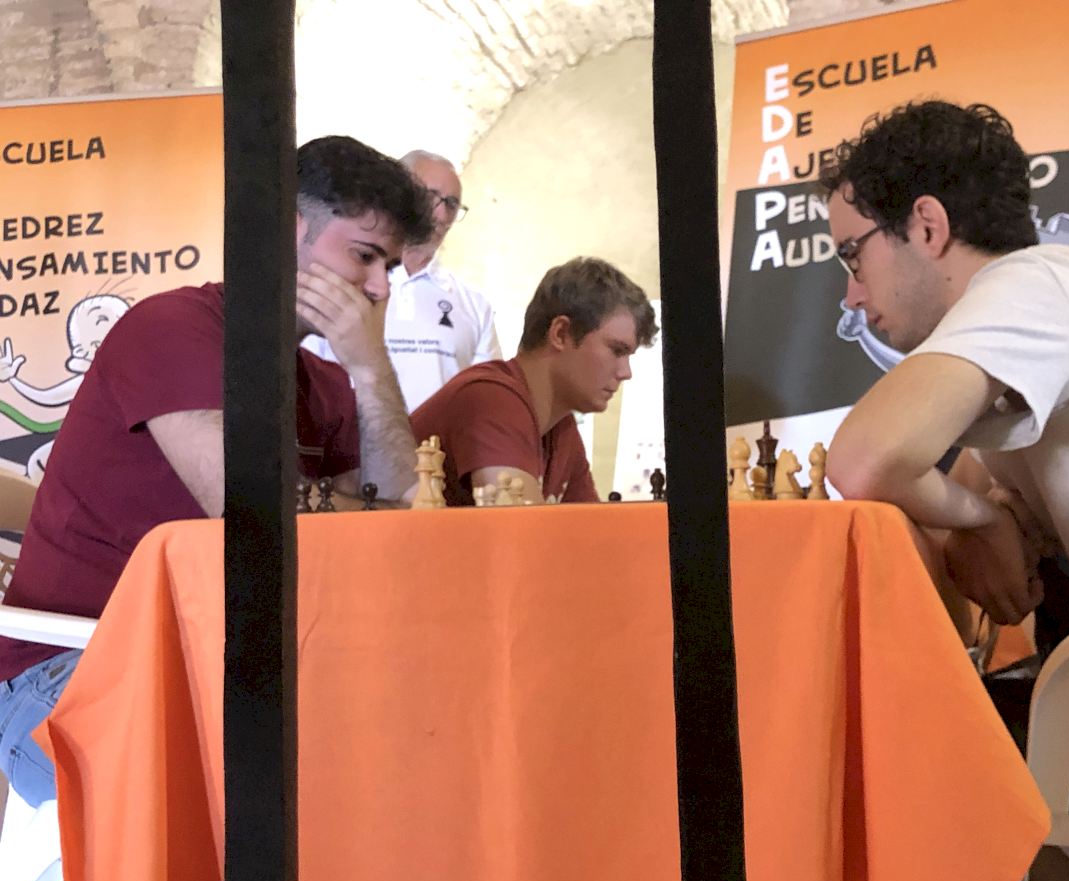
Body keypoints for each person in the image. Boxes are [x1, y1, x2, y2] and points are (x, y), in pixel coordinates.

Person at [821, 100, 1069, 881]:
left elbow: (865, 459)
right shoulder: (1055, 306)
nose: (851, 296)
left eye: (854, 256)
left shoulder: (1032, 286)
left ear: (927, 226)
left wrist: (984, 519)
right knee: (921, 730)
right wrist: (980, 518)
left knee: (891, 737)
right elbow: (950, 513)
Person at [0, 134, 433, 808]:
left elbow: (400, 528)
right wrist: (350, 511)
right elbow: (256, 514)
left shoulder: (327, 382)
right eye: (364, 255)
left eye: (391, 270)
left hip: (220, 664)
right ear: (286, 229)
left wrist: (371, 367)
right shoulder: (172, 327)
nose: (380, 288)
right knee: (298, 791)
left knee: (410, 740)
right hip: (72, 674)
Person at [411, 256, 657, 506]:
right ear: (561, 333)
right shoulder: (492, 398)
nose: (626, 372)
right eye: (617, 351)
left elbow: (592, 530)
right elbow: (519, 528)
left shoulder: (562, 428)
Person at [304, 149, 501, 411]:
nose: (441, 214)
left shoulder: (475, 306)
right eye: (429, 196)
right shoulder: (345, 283)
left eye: (452, 204)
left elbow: (486, 400)